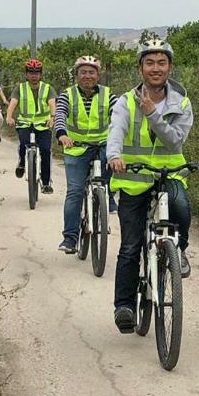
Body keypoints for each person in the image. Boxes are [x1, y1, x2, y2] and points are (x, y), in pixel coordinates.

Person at [107, 38, 193, 333]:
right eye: (149, 63)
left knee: (181, 205)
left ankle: (178, 249)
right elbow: (116, 131)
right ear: (140, 68)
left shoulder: (180, 102)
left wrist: (152, 114)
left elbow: (175, 140)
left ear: (170, 67)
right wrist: (114, 156)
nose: (156, 69)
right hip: (133, 179)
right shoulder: (125, 101)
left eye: (162, 63)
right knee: (130, 245)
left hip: (169, 174)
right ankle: (125, 306)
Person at [55, 55, 117, 253]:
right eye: (83, 72)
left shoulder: (109, 95)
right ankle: (70, 238)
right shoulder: (67, 95)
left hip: (103, 145)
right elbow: (60, 114)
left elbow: (119, 118)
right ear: (77, 75)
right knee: (75, 191)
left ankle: (108, 194)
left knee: (114, 164)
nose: (87, 76)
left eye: (91, 72)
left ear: (98, 75)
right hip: (77, 148)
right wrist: (62, 134)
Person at [6, 59, 56, 193]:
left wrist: (52, 117)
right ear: (26, 74)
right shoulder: (20, 88)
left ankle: (45, 183)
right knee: (24, 142)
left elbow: (52, 104)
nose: (34, 75)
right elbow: (13, 103)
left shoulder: (47, 88)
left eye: (37, 73)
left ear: (41, 74)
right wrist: (9, 117)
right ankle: (22, 162)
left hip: (43, 124)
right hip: (25, 123)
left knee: (45, 150)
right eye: (31, 73)